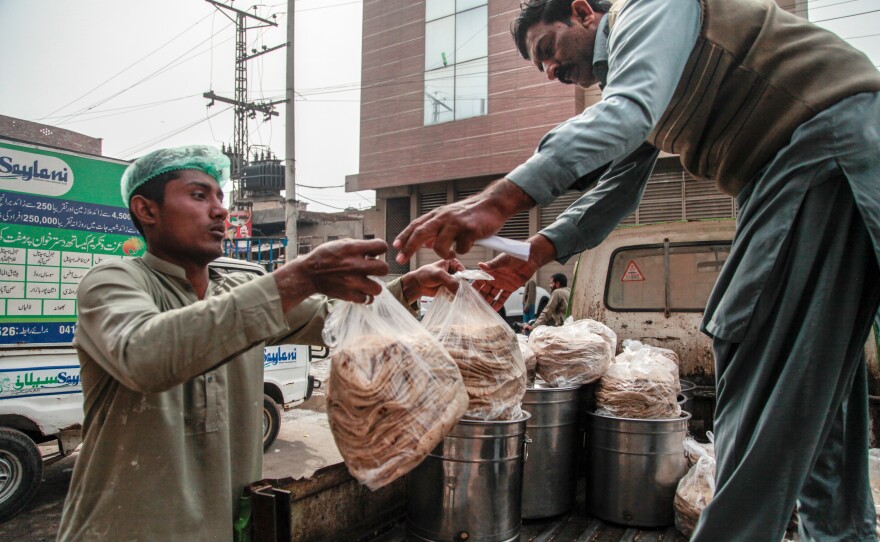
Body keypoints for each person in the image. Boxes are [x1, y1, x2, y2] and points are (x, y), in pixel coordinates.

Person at [392, 0, 880, 539]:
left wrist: (498, 199)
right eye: (541, 68)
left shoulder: (647, 11)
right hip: (796, 162)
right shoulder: (634, 78)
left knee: (750, 341)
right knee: (815, 371)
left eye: (547, 50)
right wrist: (536, 250)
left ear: (582, 11)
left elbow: (627, 112)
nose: (551, 71)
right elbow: (617, 188)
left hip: (824, 141)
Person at [57, 145, 463, 541]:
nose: (220, 209)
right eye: (199, 196)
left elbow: (333, 319)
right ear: (147, 210)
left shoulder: (236, 288)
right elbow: (144, 354)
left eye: (220, 197)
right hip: (121, 527)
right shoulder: (113, 281)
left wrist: (409, 286)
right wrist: (297, 277)